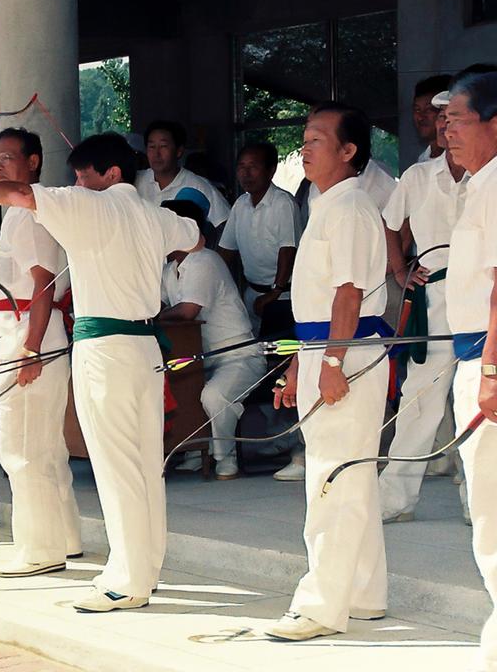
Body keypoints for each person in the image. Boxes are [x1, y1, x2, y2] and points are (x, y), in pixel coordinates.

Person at [0, 133, 201, 613]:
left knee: (117, 465)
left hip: (107, 348)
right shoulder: (153, 215)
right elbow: (195, 235)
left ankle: (126, 579)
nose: (77, 182)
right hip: (143, 347)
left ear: (111, 174)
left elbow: (19, 193)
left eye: (85, 174)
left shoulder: (90, 206)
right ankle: (146, 568)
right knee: (143, 463)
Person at [266, 102, 390, 641]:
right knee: (348, 474)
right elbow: (315, 304)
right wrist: (300, 365)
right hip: (325, 348)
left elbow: (349, 292)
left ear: (348, 151)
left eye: (318, 139)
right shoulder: (326, 203)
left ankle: (320, 606)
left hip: (348, 351)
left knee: (332, 477)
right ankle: (361, 594)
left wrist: (333, 363)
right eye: (304, 138)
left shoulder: (351, 206)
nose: (306, 147)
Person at [0, 127, 81, 576]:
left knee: (22, 448)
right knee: (45, 446)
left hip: (30, 335)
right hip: (24, 332)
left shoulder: (28, 211)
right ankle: (64, 537)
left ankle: (40, 549)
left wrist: (31, 348)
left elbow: (42, 282)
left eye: (8, 159)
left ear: (34, 162)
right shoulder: (23, 211)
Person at [376, 99, 469, 524]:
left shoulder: (490, 173)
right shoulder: (417, 174)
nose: (447, 127)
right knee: (420, 398)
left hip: (484, 294)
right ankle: (395, 498)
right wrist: (400, 270)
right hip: (435, 295)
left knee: (477, 398)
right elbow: (391, 223)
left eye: (456, 119)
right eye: (443, 119)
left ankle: (478, 501)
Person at [442, 71, 497, 672]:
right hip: (474, 351)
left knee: (492, 507)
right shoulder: (481, 184)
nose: (446, 131)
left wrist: (491, 371)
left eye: (458, 119)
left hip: (488, 357)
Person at [161, 197, 266, 480]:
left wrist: (152, 318)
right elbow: (156, 303)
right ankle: (196, 450)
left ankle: (225, 458)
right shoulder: (171, 267)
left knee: (214, 395)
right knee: (178, 387)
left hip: (239, 354)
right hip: (202, 356)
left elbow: (187, 311)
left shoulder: (204, 259)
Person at [217, 142, 302, 337]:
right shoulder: (240, 205)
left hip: (282, 296)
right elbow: (226, 250)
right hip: (251, 293)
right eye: (241, 167)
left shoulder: (283, 203)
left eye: (253, 167)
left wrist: (275, 291)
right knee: (253, 351)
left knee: (278, 356)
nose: (246, 174)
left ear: (271, 170)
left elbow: (288, 249)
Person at [134, 120, 231, 228]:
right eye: (152, 147)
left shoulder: (198, 186)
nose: (157, 153)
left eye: (163, 146)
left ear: (179, 151)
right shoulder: (135, 181)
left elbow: (226, 227)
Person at [413, 74, 453, 163]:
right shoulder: (422, 159)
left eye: (428, 109)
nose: (420, 117)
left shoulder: (464, 161)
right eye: (417, 109)